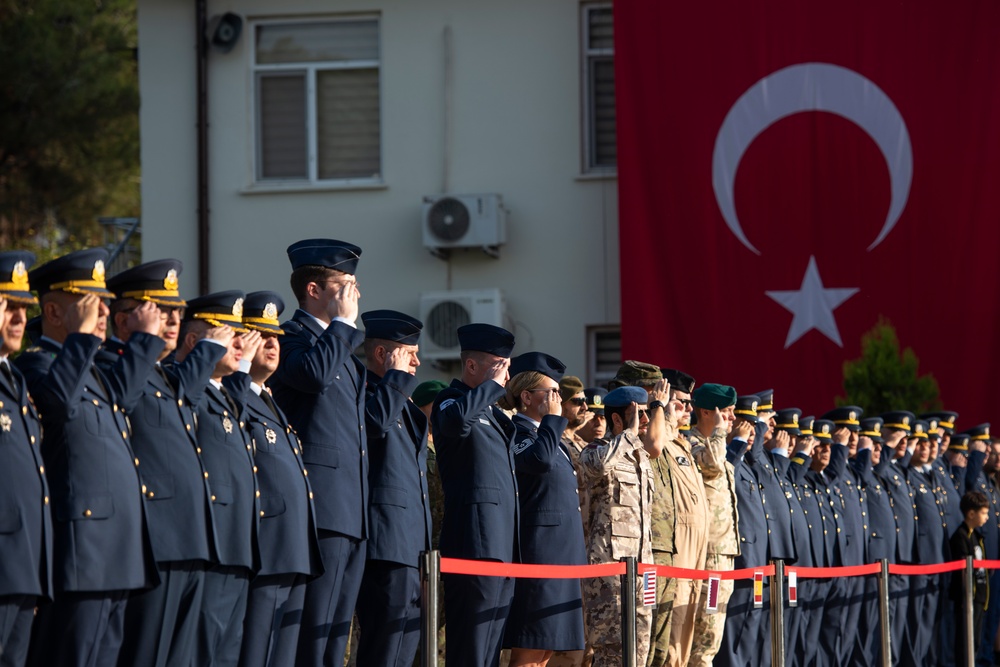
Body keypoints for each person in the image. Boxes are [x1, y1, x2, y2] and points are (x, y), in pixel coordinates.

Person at [18, 248, 163, 667]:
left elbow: (126, 394)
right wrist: (82, 339)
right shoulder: (37, 366)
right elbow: (58, 408)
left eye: (105, 303)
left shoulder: (91, 371)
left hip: (115, 553)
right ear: (53, 311)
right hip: (82, 554)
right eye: (90, 303)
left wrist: (145, 341)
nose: (104, 311)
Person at [103, 260, 226, 667]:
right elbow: (120, 399)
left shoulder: (162, 375)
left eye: (176, 312)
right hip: (157, 541)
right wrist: (141, 342)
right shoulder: (112, 366)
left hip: (190, 538)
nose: (173, 319)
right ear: (125, 319)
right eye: (160, 310)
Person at [269, 239, 368, 667]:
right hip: (320, 505)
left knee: (334, 636)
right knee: (311, 633)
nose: (355, 295)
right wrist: (343, 326)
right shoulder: (290, 337)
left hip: (351, 508)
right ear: (314, 290)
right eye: (345, 284)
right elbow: (310, 376)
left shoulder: (342, 349)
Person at [228, 291, 323, 667]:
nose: (272, 344)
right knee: (256, 654)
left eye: (276, 338)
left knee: (282, 656)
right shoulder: (234, 398)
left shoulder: (270, 401)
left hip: (292, 549)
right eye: (260, 336)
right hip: (264, 549)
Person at [174, 290, 260, 667]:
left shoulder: (222, 394)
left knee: (227, 654)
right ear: (196, 342)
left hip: (238, 547)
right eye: (230, 335)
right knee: (200, 653)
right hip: (213, 546)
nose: (241, 343)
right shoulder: (184, 389)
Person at [431, 323, 518, 667]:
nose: (505, 378)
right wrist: (491, 388)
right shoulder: (451, 401)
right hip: (475, 544)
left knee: (490, 651)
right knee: (471, 648)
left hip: (502, 545)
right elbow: (455, 424)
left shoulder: (492, 412)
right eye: (500, 367)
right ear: (471, 366)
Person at [354, 309, 432, 667]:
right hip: (385, 544)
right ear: (383, 355)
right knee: (383, 649)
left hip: (411, 545)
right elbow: (374, 424)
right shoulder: (366, 392)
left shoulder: (399, 399)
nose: (417, 360)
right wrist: (397, 378)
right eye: (408, 352)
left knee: (404, 649)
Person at [503, 352, 586, 667]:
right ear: (526, 396)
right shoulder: (518, 434)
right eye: (549, 391)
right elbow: (538, 462)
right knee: (530, 648)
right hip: (540, 556)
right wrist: (552, 420)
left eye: (558, 393)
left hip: (562, 555)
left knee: (547, 650)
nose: (557, 398)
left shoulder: (551, 438)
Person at [578, 385, 662, 667]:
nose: (646, 421)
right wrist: (627, 433)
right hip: (609, 572)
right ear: (617, 419)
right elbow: (598, 466)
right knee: (611, 653)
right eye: (638, 414)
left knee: (640, 652)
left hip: (643, 570)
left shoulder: (642, 458)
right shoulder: (597, 450)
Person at [0, 252, 50, 667]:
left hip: (23, 565)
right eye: (7, 307)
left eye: (22, 308)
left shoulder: (13, 377)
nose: (19, 318)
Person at [647, 368, 706, 667]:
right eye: (681, 402)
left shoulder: (683, 442)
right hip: (674, 546)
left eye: (689, 404)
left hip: (694, 548)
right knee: (669, 629)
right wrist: (662, 415)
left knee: (687, 622)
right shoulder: (660, 438)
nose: (688, 410)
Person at [687, 383, 740, 667]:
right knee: (703, 641)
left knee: (712, 637)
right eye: (727, 412)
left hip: (722, 556)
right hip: (708, 558)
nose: (731, 418)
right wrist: (719, 432)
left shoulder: (717, 447)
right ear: (706, 412)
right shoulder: (695, 444)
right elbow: (712, 466)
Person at [950, 491, 990, 667]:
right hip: (967, 598)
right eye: (984, 513)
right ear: (971, 513)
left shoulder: (977, 536)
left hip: (980, 596)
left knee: (975, 639)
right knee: (965, 641)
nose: (987, 517)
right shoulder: (960, 536)